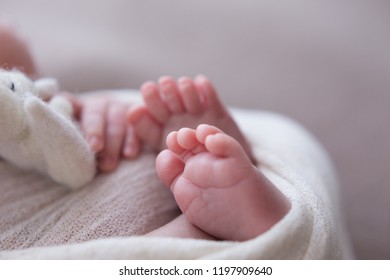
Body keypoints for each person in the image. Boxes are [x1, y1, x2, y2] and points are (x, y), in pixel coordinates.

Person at [0, 23, 290, 242]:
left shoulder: (49, 115)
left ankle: (217, 172)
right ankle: (245, 226)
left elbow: (36, 112)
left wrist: (97, 116)